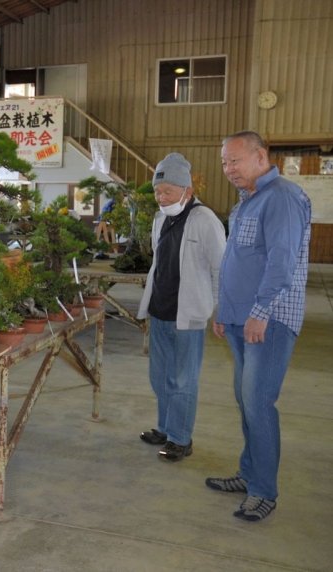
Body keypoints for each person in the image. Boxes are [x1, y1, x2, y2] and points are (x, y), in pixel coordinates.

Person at [208, 131, 311, 522]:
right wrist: (225, 310)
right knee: (245, 403)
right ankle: (249, 474)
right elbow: (240, 261)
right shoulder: (248, 202)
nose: (228, 169)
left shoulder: (282, 197)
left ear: (260, 156)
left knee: (258, 404)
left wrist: (260, 312)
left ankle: (263, 491)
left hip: (267, 322)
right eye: (224, 162)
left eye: (234, 161)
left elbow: (281, 264)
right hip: (240, 318)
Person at [137, 153, 226, 462]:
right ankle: (164, 427)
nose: (161, 198)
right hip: (160, 310)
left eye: (168, 192)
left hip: (189, 315)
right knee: (160, 377)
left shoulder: (205, 220)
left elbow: (221, 268)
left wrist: (220, 309)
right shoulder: (160, 218)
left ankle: (181, 438)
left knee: (183, 380)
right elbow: (158, 262)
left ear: (187, 191)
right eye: (157, 192)